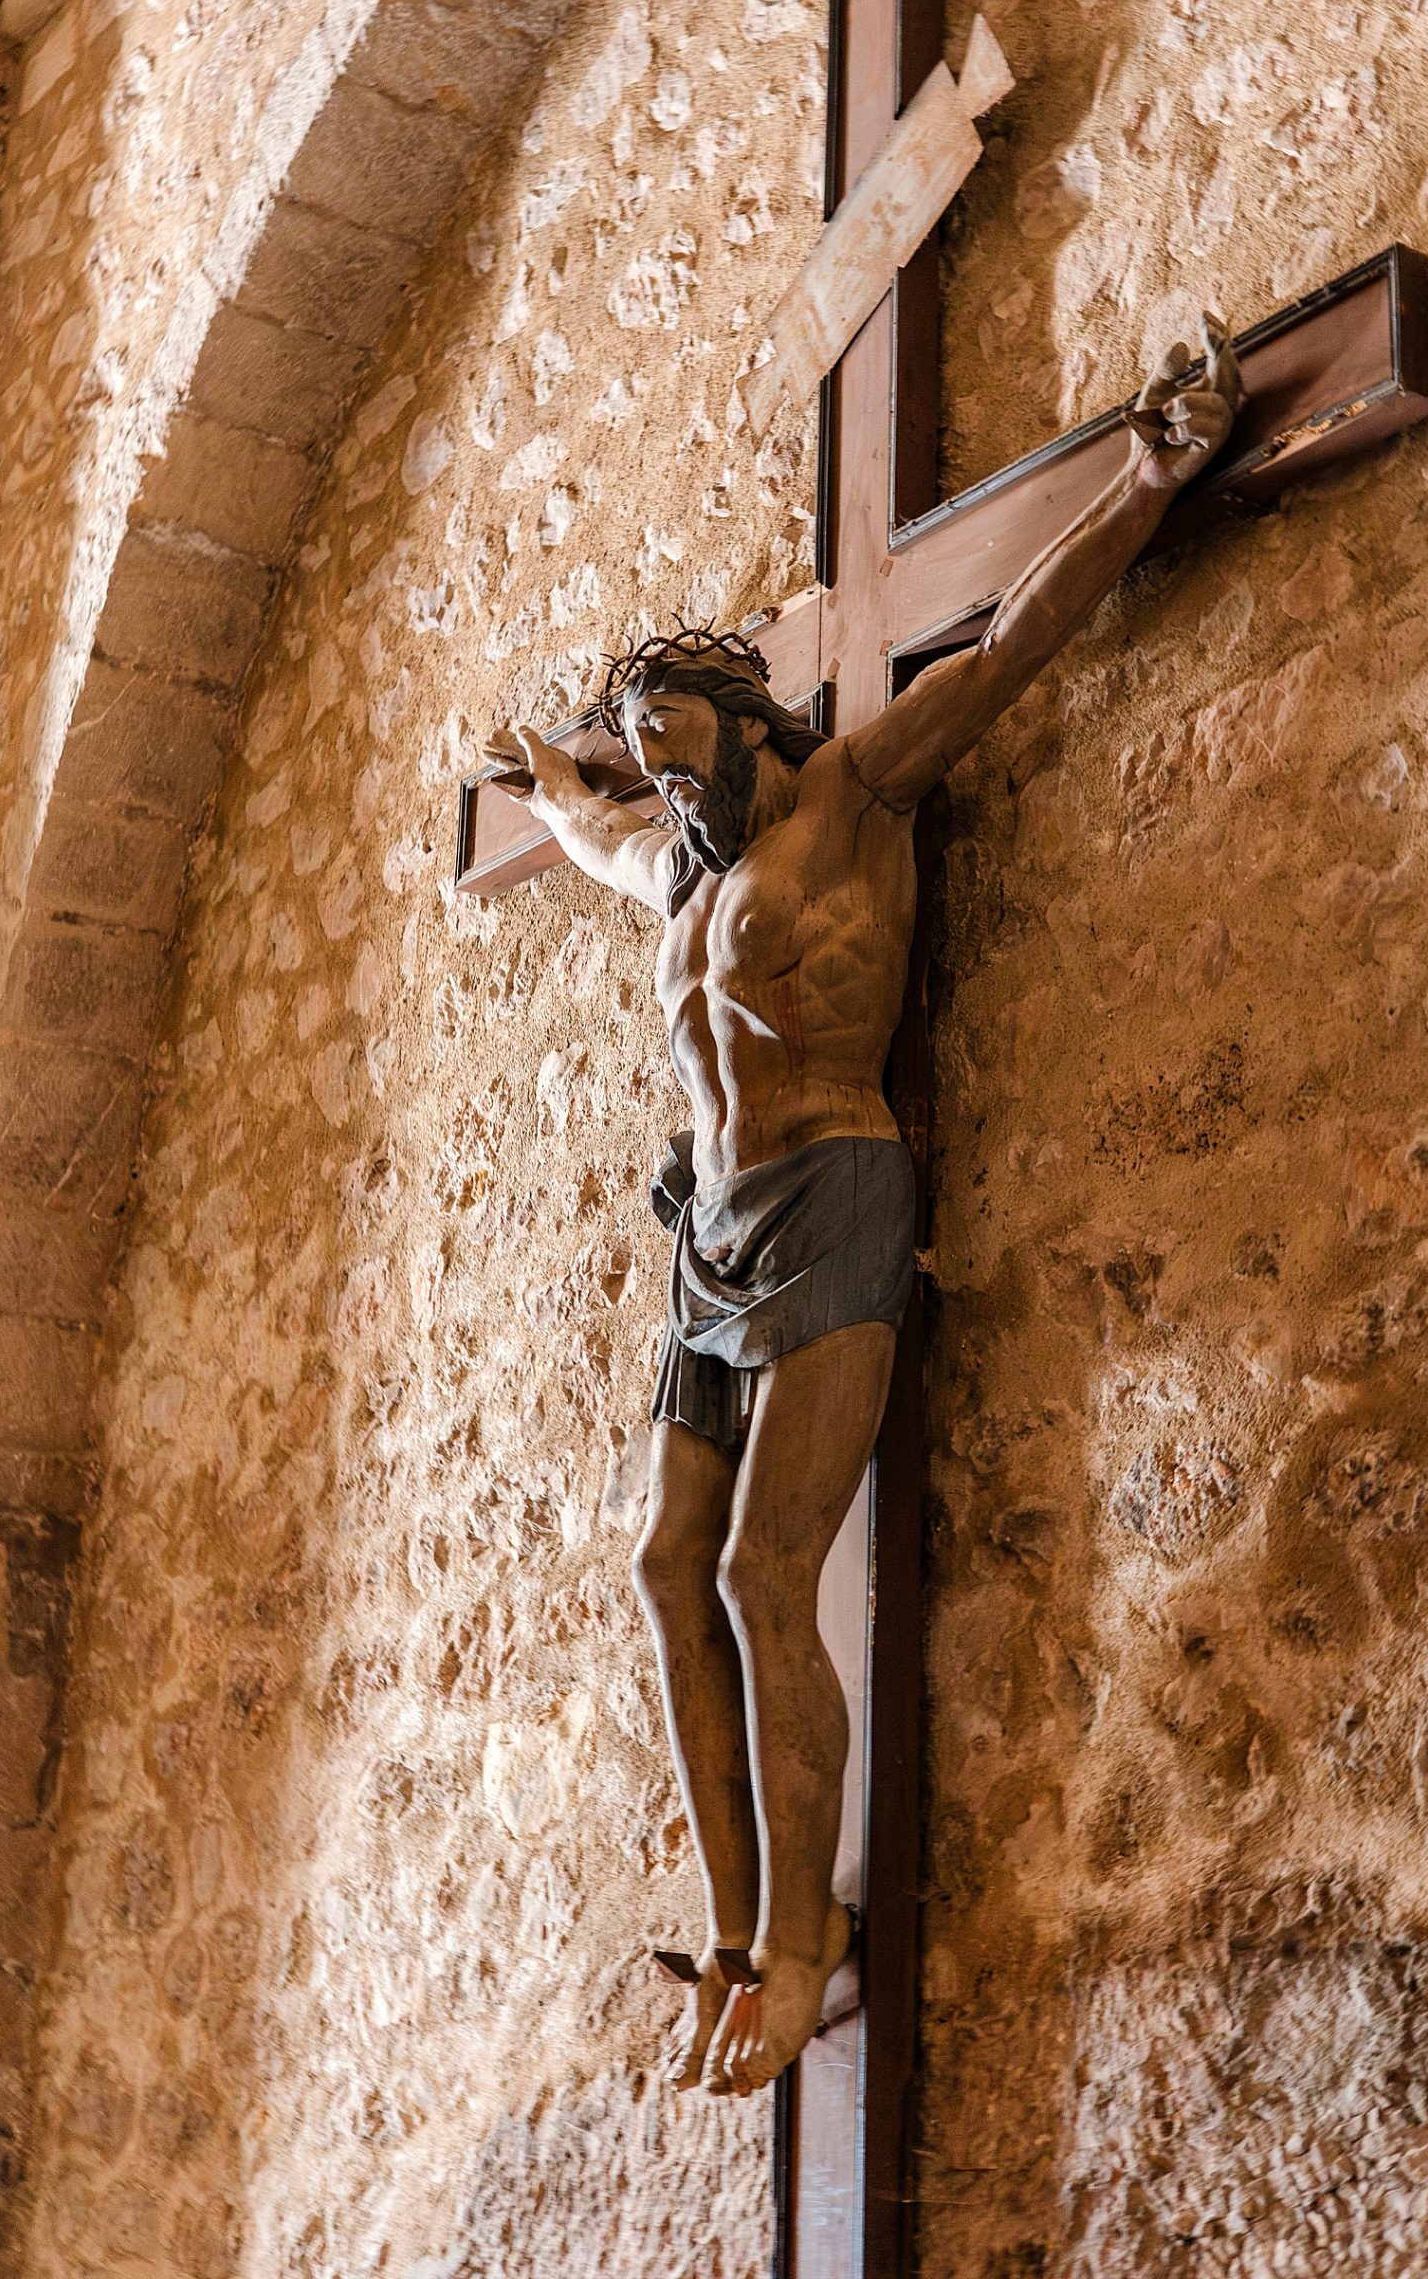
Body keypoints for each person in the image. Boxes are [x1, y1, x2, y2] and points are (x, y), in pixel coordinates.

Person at [485, 315, 1239, 2095]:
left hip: (831, 1184)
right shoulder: (674, 870)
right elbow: (590, 829)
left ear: (752, 720)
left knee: (763, 1565)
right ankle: (737, 1927)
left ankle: (809, 1939)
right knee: (659, 1560)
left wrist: (1150, 471)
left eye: (685, 747)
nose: (671, 785)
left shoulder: (850, 796)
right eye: (650, 764)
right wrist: (556, 786)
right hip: (706, 1239)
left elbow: (1011, 652)